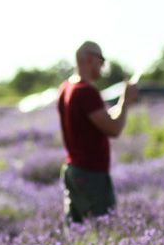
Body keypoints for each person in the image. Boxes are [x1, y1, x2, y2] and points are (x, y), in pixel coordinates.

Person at [56, 41, 138, 222]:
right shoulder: (86, 92)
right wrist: (125, 103)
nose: (103, 65)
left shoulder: (66, 88)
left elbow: (103, 119)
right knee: (102, 231)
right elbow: (114, 129)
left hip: (73, 170)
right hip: (90, 174)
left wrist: (123, 103)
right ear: (91, 59)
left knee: (77, 233)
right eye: (102, 60)